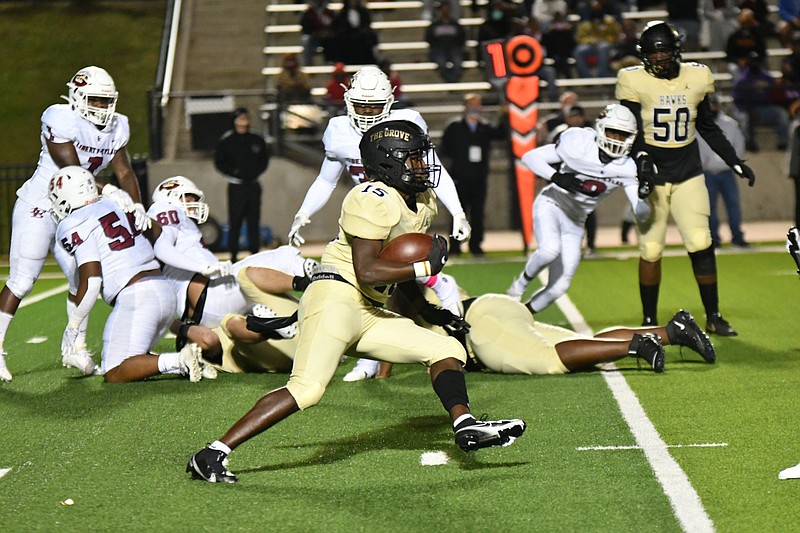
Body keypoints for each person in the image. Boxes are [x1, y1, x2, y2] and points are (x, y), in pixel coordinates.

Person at [187, 120, 526, 484]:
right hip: (334, 298)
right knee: (307, 389)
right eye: (412, 158)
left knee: (445, 348)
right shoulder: (370, 198)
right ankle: (211, 453)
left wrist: (429, 310)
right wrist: (425, 265)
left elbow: (398, 271)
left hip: (366, 309)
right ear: (388, 163)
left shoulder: (422, 201)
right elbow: (368, 271)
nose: (421, 165)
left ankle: (464, 425)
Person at [0, 66, 148, 383]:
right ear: (79, 97)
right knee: (23, 281)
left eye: (107, 101)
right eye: (95, 100)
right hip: (40, 206)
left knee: (84, 281)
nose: (103, 108)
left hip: (75, 214)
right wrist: (108, 191)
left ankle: (74, 346)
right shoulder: (60, 117)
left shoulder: (117, 126)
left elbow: (124, 172)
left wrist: (135, 204)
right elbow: (72, 168)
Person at [616, 20, 756, 335]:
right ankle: (650, 320)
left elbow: (707, 125)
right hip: (652, 171)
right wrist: (640, 158)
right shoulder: (632, 80)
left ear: (676, 50)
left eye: (664, 51)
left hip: (688, 171)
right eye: (653, 52)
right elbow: (630, 126)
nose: (659, 58)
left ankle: (714, 315)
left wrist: (733, 160)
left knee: (701, 241)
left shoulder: (697, 76)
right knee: (650, 249)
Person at [378, 276, 717, 378]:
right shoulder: (413, 272)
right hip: (493, 309)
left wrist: (382, 371)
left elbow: (397, 313)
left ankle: (637, 345)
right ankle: (672, 331)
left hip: (478, 325)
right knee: (584, 345)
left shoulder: (402, 280)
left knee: (549, 360)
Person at [49, 166, 203, 383]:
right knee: (135, 360)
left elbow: (92, 280)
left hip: (138, 296)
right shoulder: (115, 204)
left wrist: (73, 328)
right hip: (164, 290)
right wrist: (144, 219)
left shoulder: (72, 222)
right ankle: (186, 364)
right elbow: (157, 233)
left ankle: (179, 360)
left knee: (113, 371)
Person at [287, 66, 471, 248]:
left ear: (389, 103)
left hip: (408, 207)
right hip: (370, 209)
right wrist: (303, 213)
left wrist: (457, 212)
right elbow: (326, 181)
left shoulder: (407, 123)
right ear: (349, 102)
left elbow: (432, 168)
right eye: (361, 105)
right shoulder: (338, 131)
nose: (367, 112)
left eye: (374, 106)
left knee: (406, 261)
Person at [506, 104, 651, 311]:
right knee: (548, 250)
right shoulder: (579, 144)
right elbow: (530, 157)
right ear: (600, 128)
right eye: (613, 132)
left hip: (576, 221)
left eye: (622, 135)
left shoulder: (627, 168)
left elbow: (642, 215)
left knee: (560, 286)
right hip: (552, 204)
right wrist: (556, 177)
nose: (616, 140)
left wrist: (644, 196)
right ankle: (517, 288)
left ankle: (525, 313)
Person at [438, 93, 506, 257]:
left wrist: (504, 115)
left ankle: (476, 246)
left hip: (479, 178)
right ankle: (455, 247)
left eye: (478, 104)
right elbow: (444, 151)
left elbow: (501, 134)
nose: (476, 108)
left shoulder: (484, 126)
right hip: (458, 178)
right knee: (458, 213)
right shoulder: (454, 126)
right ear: (466, 106)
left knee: (477, 214)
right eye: (473, 104)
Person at [213, 108, 270, 263]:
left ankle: (254, 254)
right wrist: (234, 172)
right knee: (235, 221)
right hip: (236, 186)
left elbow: (264, 160)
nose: (244, 120)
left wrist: (253, 172)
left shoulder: (256, 139)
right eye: (241, 117)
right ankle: (233, 256)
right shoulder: (227, 141)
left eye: (246, 117)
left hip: (253, 185)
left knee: (254, 221)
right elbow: (220, 162)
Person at [697, 94, 749, 248]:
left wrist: (733, 161)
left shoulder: (730, 124)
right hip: (708, 172)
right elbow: (697, 146)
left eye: (714, 105)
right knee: (710, 207)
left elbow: (739, 144)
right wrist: (705, 161)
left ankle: (737, 237)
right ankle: (714, 238)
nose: (712, 108)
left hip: (726, 171)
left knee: (733, 205)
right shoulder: (699, 124)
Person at [731, 52, 790, 153]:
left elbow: (775, 95)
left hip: (764, 108)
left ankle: (783, 142)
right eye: (753, 61)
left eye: (757, 61)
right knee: (743, 117)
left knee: (782, 113)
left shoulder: (767, 77)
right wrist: (748, 107)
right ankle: (749, 141)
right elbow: (736, 99)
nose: (755, 64)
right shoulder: (742, 79)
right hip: (746, 108)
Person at [425, 0, 466, 84]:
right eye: (443, 9)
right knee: (441, 63)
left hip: (454, 48)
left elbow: (462, 37)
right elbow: (429, 38)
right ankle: (450, 81)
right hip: (439, 49)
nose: (445, 11)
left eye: (447, 8)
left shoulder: (455, 24)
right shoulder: (434, 26)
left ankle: (452, 82)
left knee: (458, 63)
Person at [299, 0, 335, 66]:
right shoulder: (308, 13)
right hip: (314, 36)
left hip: (327, 36)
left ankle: (331, 61)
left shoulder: (329, 12)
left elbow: (334, 25)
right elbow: (305, 27)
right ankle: (308, 63)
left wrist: (327, 32)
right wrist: (315, 33)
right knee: (306, 40)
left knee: (335, 39)